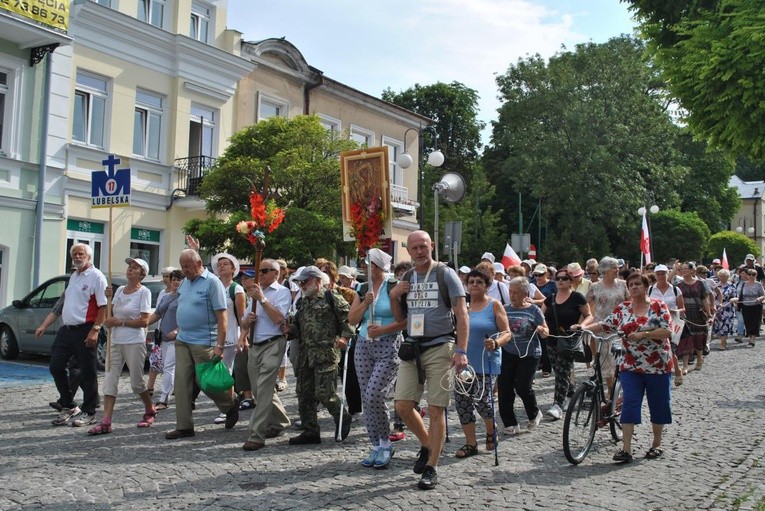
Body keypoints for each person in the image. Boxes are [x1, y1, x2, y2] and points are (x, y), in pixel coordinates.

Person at [389, 230, 469, 491]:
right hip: (413, 348)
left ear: (431, 246)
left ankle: (432, 467)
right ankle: (427, 443)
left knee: (436, 408)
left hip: (440, 346)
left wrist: (462, 349)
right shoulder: (407, 276)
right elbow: (401, 317)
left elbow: (461, 312)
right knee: (402, 405)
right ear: (409, 251)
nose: (419, 252)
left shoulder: (445, 274)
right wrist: (393, 296)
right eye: (414, 248)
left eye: (423, 247)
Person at [580, 272, 673, 463]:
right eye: (630, 285)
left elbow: (667, 332)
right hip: (630, 365)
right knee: (630, 403)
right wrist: (583, 328)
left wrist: (644, 334)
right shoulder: (623, 308)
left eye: (638, 284)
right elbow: (606, 325)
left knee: (659, 404)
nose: (634, 287)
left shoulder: (658, 306)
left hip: (657, 365)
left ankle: (656, 444)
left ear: (646, 286)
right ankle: (626, 449)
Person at [165, 249, 239, 440]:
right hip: (183, 340)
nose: (184, 270)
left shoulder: (212, 282)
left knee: (207, 383)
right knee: (181, 384)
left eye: (187, 266)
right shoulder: (184, 283)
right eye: (182, 266)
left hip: (204, 340)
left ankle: (230, 403)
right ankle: (184, 426)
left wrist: (219, 345)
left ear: (199, 264)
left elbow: (222, 316)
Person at [35, 243, 106, 427]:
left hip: (85, 329)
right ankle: (68, 404)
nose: (77, 256)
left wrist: (95, 330)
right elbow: (60, 305)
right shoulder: (73, 277)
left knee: (87, 372)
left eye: (80, 253)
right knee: (56, 366)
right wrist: (44, 325)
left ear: (89, 257)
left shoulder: (96, 277)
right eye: (74, 253)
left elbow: (104, 306)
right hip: (67, 330)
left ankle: (90, 411)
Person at [348, 249, 406, 468]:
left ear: (379, 267)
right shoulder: (362, 289)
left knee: (375, 395)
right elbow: (352, 320)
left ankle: (386, 443)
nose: (365, 267)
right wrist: (365, 304)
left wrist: (382, 331)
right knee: (366, 397)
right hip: (364, 344)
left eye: (369, 264)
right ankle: (376, 444)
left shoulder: (393, 286)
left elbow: (403, 321)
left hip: (388, 344)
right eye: (364, 264)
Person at [288, 266, 355, 445]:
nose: (302, 285)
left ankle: (343, 416)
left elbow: (349, 320)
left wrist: (344, 338)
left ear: (318, 281)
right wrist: (288, 329)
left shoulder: (331, 297)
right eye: (300, 282)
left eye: (305, 281)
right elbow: (297, 328)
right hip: (306, 355)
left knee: (325, 393)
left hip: (326, 353)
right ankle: (310, 430)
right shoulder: (302, 303)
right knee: (304, 394)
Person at [88, 258, 155, 435]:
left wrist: (121, 322)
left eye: (135, 268)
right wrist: (108, 298)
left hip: (134, 341)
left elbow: (144, 321)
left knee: (136, 383)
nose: (130, 270)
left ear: (142, 274)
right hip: (115, 341)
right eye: (129, 267)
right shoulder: (118, 291)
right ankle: (106, 421)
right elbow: (110, 316)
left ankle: (149, 409)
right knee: (110, 380)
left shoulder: (144, 292)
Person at [452, 269, 509, 458]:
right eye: (471, 282)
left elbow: (507, 332)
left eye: (479, 282)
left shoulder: (494, 305)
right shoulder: (463, 307)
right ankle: (471, 443)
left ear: (487, 286)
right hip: (465, 363)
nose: (475, 284)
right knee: (462, 402)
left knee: (483, 400)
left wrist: (496, 343)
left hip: (487, 362)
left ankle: (491, 431)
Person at [238, 260, 292, 451]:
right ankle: (281, 421)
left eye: (265, 270)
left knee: (263, 388)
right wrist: (247, 321)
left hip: (273, 343)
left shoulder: (282, 292)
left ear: (276, 273)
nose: (260, 274)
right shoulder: (253, 291)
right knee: (260, 390)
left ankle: (256, 434)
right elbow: (243, 323)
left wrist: (262, 299)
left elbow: (279, 319)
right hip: (255, 345)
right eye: (259, 271)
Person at [500, 276, 548, 435]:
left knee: (522, 386)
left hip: (529, 353)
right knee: (504, 386)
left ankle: (534, 413)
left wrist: (542, 330)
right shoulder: (504, 309)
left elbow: (546, 332)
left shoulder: (533, 310)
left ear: (525, 293)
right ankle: (510, 423)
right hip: (507, 351)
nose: (512, 295)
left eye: (515, 292)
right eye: (510, 292)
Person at [543, 268, 592, 420]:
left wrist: (582, 326)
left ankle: (558, 405)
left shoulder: (577, 297)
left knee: (563, 372)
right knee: (559, 371)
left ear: (571, 281)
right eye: (558, 278)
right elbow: (540, 315)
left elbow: (589, 315)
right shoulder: (550, 298)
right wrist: (542, 327)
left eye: (564, 278)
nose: (560, 281)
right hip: (551, 340)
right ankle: (572, 393)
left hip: (568, 340)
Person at [210, 252, 246, 425]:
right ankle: (228, 405)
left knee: (224, 372)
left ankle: (228, 408)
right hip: (213, 336)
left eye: (225, 264)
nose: (221, 266)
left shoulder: (236, 289)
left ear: (233, 269)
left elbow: (242, 316)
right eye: (219, 264)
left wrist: (243, 337)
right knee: (216, 374)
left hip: (230, 336)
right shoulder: (214, 286)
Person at [586, 256, 628, 398]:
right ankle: (611, 390)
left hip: (620, 329)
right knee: (606, 362)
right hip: (601, 329)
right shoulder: (595, 286)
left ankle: (617, 389)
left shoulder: (623, 285)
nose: (618, 270)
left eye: (617, 267)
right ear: (605, 270)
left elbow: (630, 303)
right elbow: (585, 304)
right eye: (614, 267)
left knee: (617, 361)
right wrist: (583, 322)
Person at [146, 269, 183, 410]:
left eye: (179, 279)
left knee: (168, 367)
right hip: (162, 338)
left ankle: (163, 399)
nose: (176, 282)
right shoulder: (166, 297)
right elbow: (157, 314)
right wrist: (143, 323)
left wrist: (177, 330)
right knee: (163, 367)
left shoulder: (185, 298)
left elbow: (189, 317)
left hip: (177, 339)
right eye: (174, 279)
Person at [389, 260, 414, 442]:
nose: (401, 279)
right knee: (400, 387)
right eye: (399, 275)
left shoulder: (416, 293)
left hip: (417, 341)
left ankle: (412, 409)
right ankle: (398, 424)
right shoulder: (392, 293)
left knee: (416, 385)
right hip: (398, 344)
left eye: (405, 275)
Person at [648, 264, 685, 386]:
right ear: (655, 275)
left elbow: (682, 308)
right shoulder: (650, 290)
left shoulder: (675, 290)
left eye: (663, 274)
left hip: (671, 322)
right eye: (658, 274)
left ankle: (677, 370)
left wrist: (675, 311)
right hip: (654, 322)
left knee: (670, 346)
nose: (661, 276)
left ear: (667, 274)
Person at [676, 262, 712, 373]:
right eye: (682, 269)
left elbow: (705, 299)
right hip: (685, 314)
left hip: (698, 313)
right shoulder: (678, 285)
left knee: (699, 337)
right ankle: (685, 366)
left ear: (692, 270)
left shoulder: (700, 284)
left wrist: (709, 314)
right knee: (686, 338)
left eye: (686, 269)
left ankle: (699, 358)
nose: (683, 271)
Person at [736, 268, 764, 348]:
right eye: (749, 274)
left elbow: (763, 294)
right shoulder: (743, 284)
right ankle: (749, 335)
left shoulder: (758, 284)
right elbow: (740, 295)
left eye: (753, 274)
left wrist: (760, 298)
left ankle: (752, 339)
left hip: (756, 306)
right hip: (745, 306)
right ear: (747, 276)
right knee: (747, 322)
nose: (751, 276)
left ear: (756, 275)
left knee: (755, 323)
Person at [712, 269, 736, 351]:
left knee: (725, 325)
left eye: (724, 276)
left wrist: (733, 299)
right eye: (721, 276)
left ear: (727, 277)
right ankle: (723, 341)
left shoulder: (731, 286)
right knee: (718, 325)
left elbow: (736, 296)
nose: (722, 278)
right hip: (717, 308)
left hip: (727, 309)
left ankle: (722, 344)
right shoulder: (715, 286)